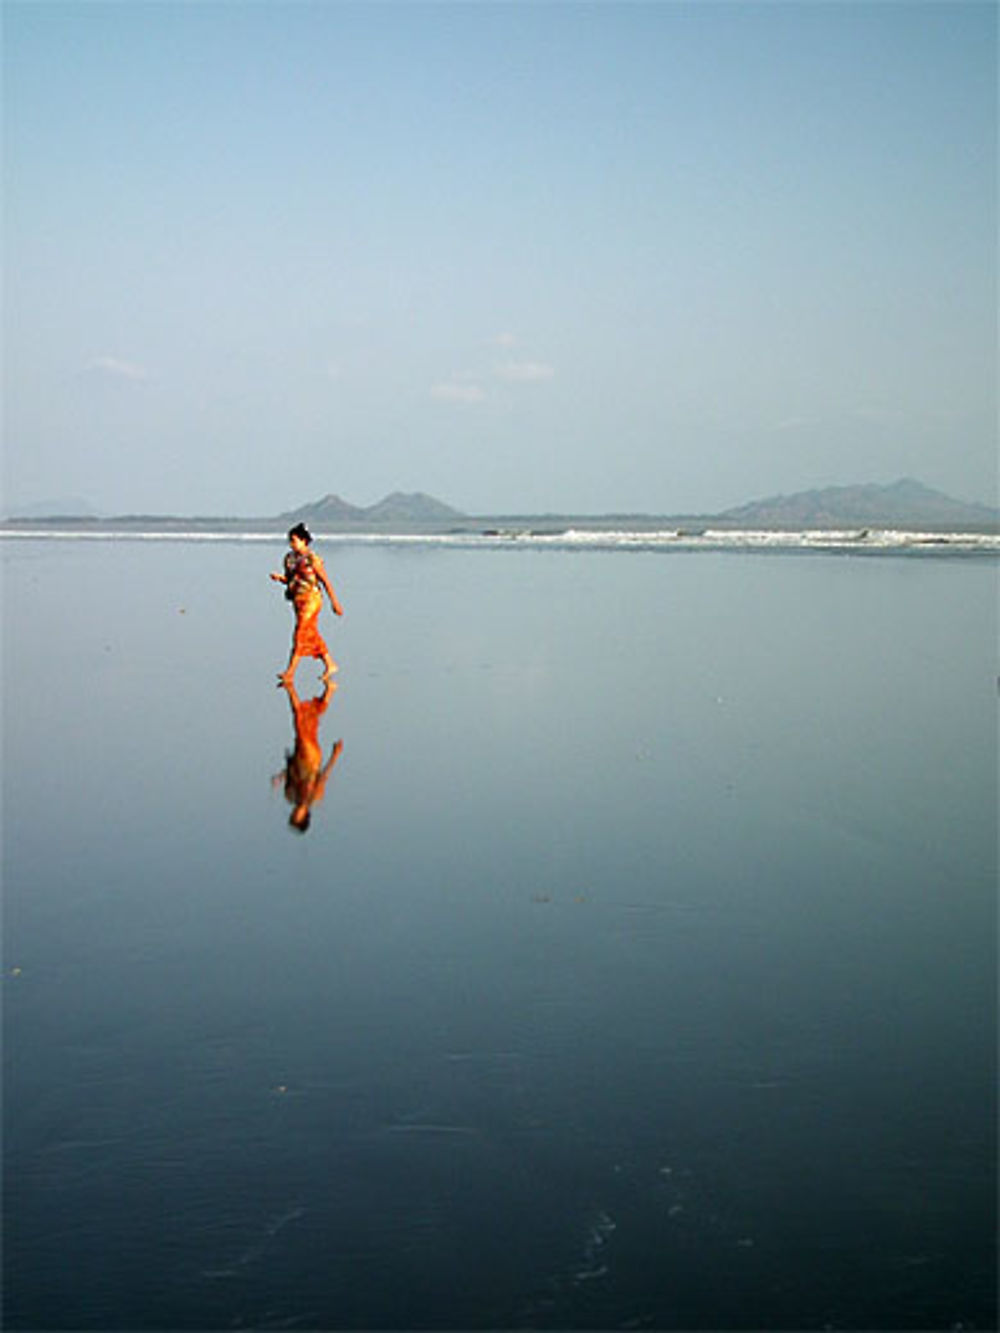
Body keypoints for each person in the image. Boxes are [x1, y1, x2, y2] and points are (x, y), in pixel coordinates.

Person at [270, 523, 343, 683]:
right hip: (298, 599)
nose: (291, 544)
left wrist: (335, 603)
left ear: (304, 541)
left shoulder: (313, 559)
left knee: (300, 633)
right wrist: (279, 578)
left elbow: (325, 581)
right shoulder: (289, 559)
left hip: (312, 599)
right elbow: (290, 579)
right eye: (290, 541)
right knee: (310, 632)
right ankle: (330, 663)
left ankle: (290, 672)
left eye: (294, 540)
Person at [272, 677, 342, 833]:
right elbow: (323, 776)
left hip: (299, 756)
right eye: (297, 816)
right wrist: (335, 755)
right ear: (305, 816)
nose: (294, 813)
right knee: (305, 724)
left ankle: (297, 690)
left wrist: (280, 776)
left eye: (293, 816)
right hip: (311, 761)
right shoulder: (314, 797)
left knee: (300, 723)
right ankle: (325, 693)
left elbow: (290, 772)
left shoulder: (289, 795)